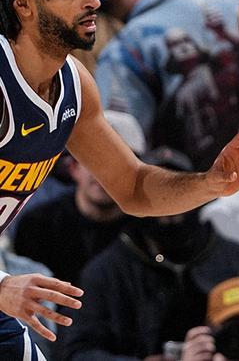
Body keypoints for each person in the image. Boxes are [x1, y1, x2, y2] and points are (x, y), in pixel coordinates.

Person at [0, 0, 239, 357]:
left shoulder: (75, 84)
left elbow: (134, 187)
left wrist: (212, 182)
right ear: (23, 4)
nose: (93, 0)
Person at [57, 146, 239, 361]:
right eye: (156, 192)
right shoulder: (107, 271)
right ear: (137, 199)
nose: (169, 202)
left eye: (179, 189)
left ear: (198, 193)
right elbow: (77, 352)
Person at [95, 0, 239, 171]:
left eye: (110, 7)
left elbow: (120, 142)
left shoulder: (128, 44)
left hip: (192, 184)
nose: (111, 18)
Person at [11, 110, 146, 284]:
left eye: (117, 162)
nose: (103, 173)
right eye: (93, 160)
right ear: (73, 168)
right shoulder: (37, 226)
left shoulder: (149, 230)